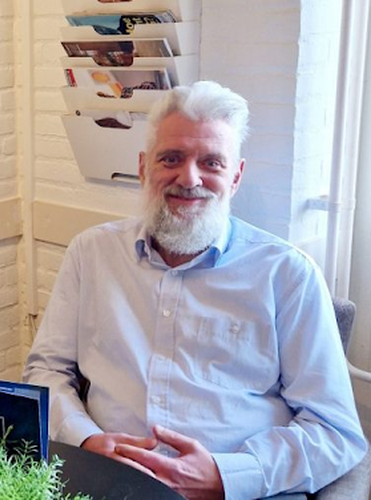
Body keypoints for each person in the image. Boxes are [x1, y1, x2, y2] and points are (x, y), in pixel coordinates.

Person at [23, 81, 367, 499]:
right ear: (143, 167)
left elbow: (336, 433)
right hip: (106, 483)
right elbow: (46, 372)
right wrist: (86, 439)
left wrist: (228, 475)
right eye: (171, 158)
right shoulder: (90, 253)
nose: (190, 178)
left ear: (235, 177)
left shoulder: (288, 275)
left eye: (211, 162)